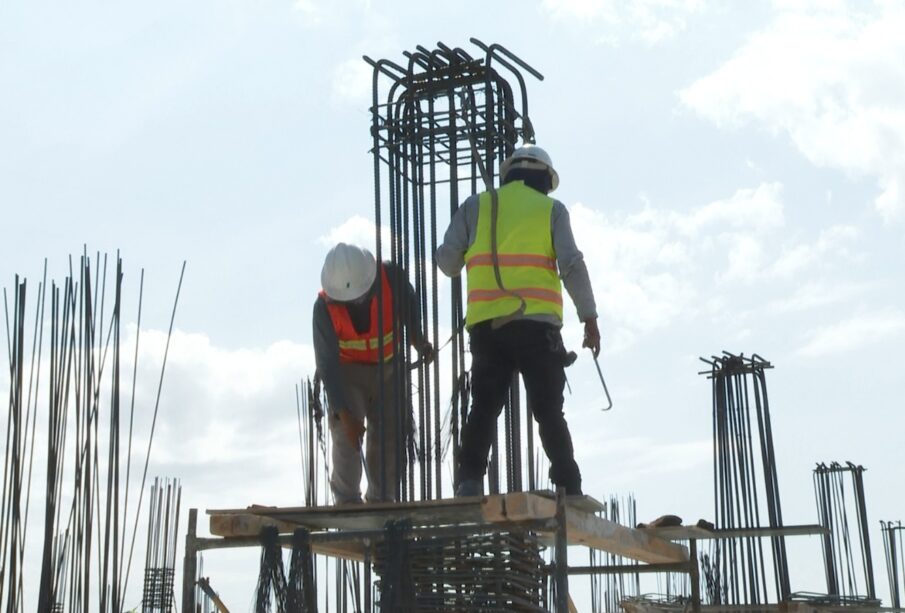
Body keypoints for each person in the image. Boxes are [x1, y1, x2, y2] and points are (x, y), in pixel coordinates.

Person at [436, 144, 600, 497]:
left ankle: (468, 482)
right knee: (547, 410)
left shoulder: (476, 205)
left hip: (486, 330)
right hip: (536, 328)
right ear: (545, 178)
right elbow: (571, 264)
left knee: (483, 408)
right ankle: (569, 485)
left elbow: (448, 263)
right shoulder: (551, 210)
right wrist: (589, 317)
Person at [313, 243, 432, 504]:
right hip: (347, 374)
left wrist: (419, 341)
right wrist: (345, 416)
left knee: (389, 437)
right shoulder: (324, 308)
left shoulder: (392, 278)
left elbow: (409, 311)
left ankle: (382, 502)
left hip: (389, 369)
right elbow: (328, 368)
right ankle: (347, 506)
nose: (356, 302)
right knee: (346, 437)